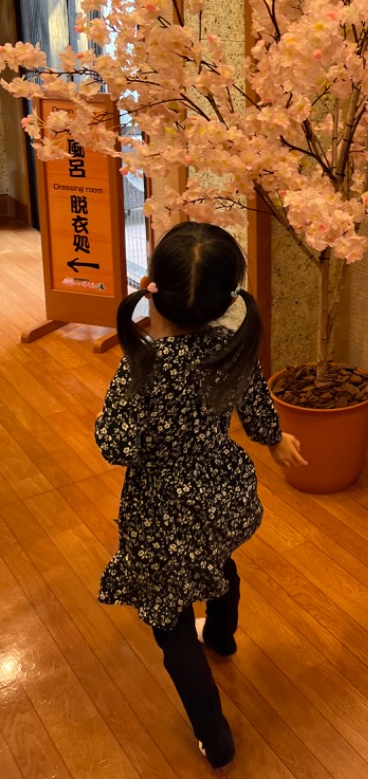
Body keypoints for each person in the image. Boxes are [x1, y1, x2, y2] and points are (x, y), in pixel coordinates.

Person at [94, 221, 307, 768]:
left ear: (152, 289)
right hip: (225, 495)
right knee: (215, 556)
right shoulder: (231, 348)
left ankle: (215, 735)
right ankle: (223, 634)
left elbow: (112, 445)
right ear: (222, 301)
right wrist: (277, 443)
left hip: (162, 512)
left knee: (169, 622)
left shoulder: (141, 364)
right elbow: (259, 412)